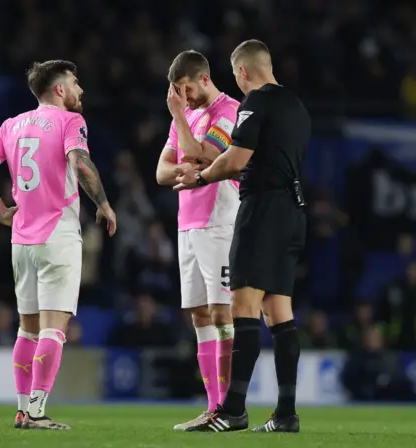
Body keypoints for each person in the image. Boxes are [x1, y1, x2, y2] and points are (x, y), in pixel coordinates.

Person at [0, 60, 116, 430]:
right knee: (54, 328)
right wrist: (103, 203)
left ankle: (22, 409)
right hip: (57, 234)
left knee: (27, 328)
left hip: (22, 239)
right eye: (76, 83)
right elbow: (80, 163)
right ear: (60, 89)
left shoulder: (11, 125)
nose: (80, 90)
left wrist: (1, 212)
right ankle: (36, 411)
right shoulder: (70, 122)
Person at [174, 40, 310, 432]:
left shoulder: (255, 103)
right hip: (293, 212)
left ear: (242, 72)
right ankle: (286, 413)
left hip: (262, 211)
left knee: (243, 306)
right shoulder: (297, 107)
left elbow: (235, 160)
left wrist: (199, 176)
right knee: (279, 312)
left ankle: (232, 410)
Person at [155, 50, 240, 430]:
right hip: (187, 224)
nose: (182, 99)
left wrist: (181, 127)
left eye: (185, 90)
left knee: (224, 314)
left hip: (220, 221)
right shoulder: (187, 117)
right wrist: (191, 155)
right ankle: (212, 408)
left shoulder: (228, 110)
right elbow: (161, 171)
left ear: (203, 78)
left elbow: (206, 153)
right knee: (199, 315)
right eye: (176, 93)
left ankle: (231, 407)